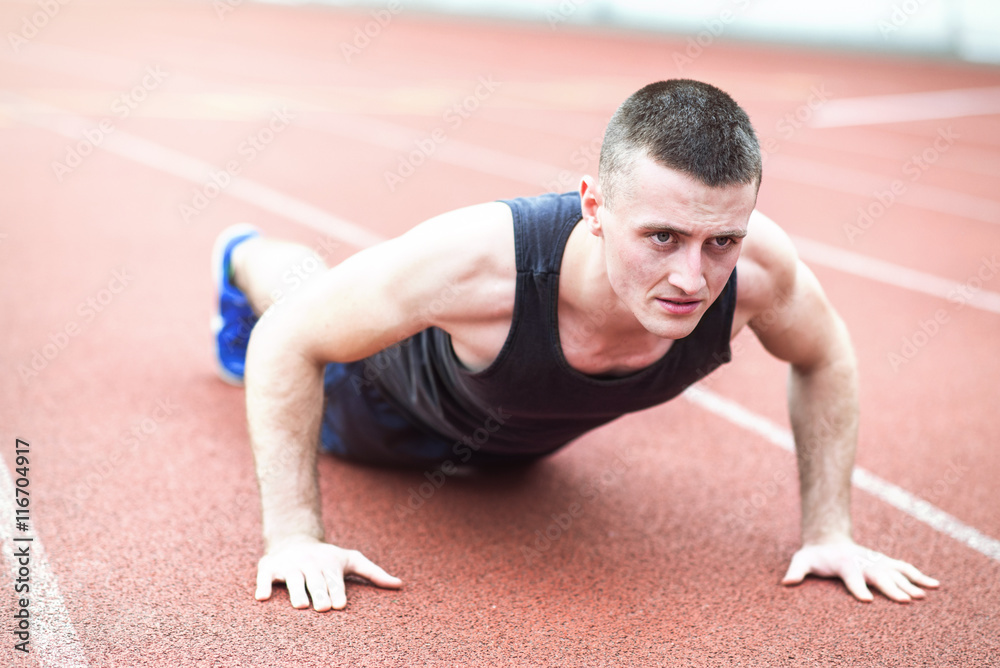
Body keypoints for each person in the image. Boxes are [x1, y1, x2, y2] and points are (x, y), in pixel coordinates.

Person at [212, 79, 939, 612]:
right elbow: (288, 339)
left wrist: (830, 532)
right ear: (594, 205)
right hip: (368, 413)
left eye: (722, 240)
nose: (693, 278)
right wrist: (295, 538)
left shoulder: (759, 274)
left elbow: (824, 354)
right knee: (302, 290)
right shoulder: (480, 261)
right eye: (662, 237)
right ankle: (241, 253)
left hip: (510, 455)